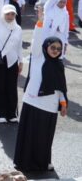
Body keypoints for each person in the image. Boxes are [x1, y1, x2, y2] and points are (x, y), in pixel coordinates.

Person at [13, 35, 68, 173]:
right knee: (28, 135)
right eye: (53, 47)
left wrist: (63, 104)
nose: (55, 51)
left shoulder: (59, 65)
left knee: (45, 137)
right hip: (32, 102)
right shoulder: (38, 58)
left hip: (49, 106)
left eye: (59, 49)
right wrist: (40, 22)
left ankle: (43, 162)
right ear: (46, 47)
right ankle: (23, 162)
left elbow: (61, 87)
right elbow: (36, 40)